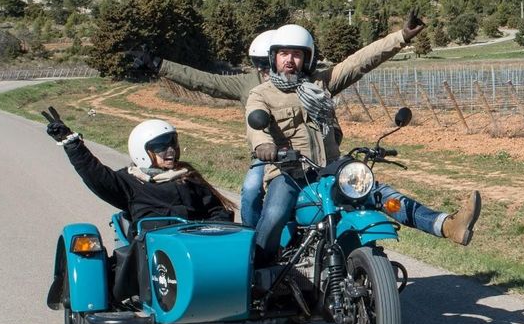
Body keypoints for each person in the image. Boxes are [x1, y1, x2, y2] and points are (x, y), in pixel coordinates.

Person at [247, 15, 482, 266]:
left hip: (329, 168)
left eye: (296, 54)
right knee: (274, 214)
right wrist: (264, 146)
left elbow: (360, 61)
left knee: (378, 193)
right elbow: (255, 125)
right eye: (284, 54)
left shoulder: (320, 84)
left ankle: (445, 225)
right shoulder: (262, 94)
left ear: (307, 58)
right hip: (288, 173)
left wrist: (401, 37)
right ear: (274, 57)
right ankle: (259, 273)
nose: (290, 60)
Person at [129, 31, 274, 228]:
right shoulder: (248, 83)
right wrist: (160, 64)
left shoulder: (308, 81)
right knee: (251, 191)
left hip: (308, 153)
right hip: (265, 155)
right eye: (259, 64)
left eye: (268, 64)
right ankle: (254, 242)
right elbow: (205, 81)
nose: (264, 70)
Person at [42, 107, 234, 227]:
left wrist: (214, 228)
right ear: (142, 151)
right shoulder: (130, 181)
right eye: (160, 146)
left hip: (195, 245)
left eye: (172, 144)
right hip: (151, 256)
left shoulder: (188, 176)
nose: (170, 150)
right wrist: (72, 143)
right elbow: (96, 175)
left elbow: (216, 210)